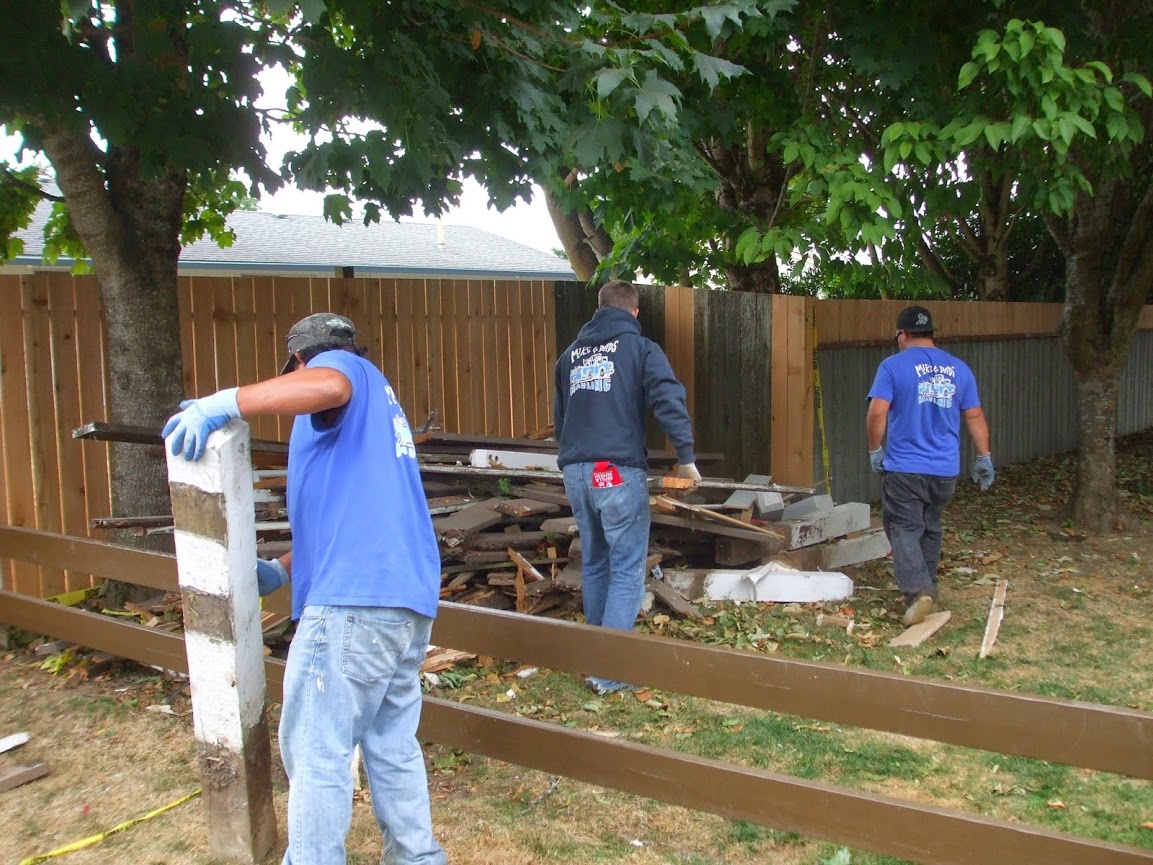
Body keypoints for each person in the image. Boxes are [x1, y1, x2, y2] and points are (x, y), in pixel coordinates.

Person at [163, 313, 446, 865]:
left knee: (318, 748)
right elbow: (353, 518)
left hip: (351, 607)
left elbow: (329, 382)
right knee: (392, 747)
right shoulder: (379, 417)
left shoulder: (342, 371)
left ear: (299, 360)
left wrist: (224, 402)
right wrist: (285, 569)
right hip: (402, 604)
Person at [554, 280, 699, 695]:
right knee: (627, 569)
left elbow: (561, 418)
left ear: (599, 310)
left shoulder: (570, 356)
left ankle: (595, 656)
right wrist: (685, 455)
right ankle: (608, 671)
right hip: (615, 471)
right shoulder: (640, 349)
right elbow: (667, 397)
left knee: (596, 562)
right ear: (634, 313)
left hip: (578, 471)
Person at [866, 305, 995, 627]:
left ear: (903, 334)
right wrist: (984, 456)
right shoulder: (959, 368)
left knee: (903, 528)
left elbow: (878, 412)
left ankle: (917, 591)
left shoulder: (892, 366)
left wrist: (874, 449)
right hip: (944, 469)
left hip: (905, 468)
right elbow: (975, 415)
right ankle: (929, 589)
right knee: (931, 526)